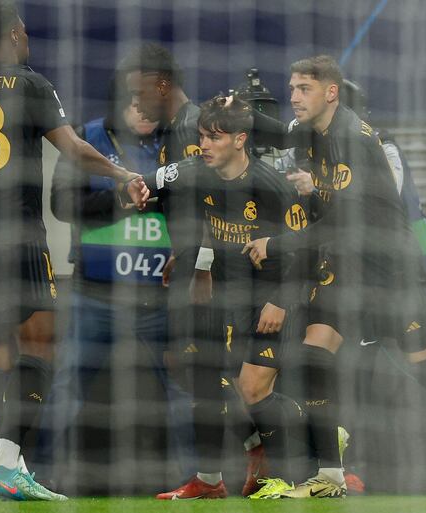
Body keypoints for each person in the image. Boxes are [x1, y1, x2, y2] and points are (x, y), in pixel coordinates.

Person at [242, 55, 426, 498]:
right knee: (313, 356)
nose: (293, 97)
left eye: (303, 88)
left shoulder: (353, 138)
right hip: (349, 272)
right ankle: (330, 477)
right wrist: (233, 112)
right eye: (291, 88)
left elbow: (345, 224)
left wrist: (275, 244)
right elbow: (272, 131)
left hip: (392, 274)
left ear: (331, 92)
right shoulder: (309, 132)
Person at [0, 1, 146, 501]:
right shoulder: (31, 83)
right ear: (17, 33)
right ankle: (5, 463)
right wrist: (125, 174)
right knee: (44, 345)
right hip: (19, 233)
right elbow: (76, 150)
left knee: (1, 354)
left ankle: (13, 463)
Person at [130, 96, 307, 499]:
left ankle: (296, 473)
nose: (204, 145)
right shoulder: (192, 171)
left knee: (252, 389)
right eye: (202, 136)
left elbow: (305, 249)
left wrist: (279, 301)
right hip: (223, 295)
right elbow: (149, 179)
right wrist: (137, 188)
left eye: (215, 137)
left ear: (241, 140)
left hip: (270, 299)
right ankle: (209, 481)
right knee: (204, 382)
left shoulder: (271, 185)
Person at [119, 44, 268, 494]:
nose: (135, 103)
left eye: (138, 91)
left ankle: (252, 445)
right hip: (195, 263)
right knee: (190, 367)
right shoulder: (177, 128)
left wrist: (200, 261)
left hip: (214, 273)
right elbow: (185, 202)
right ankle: (219, 469)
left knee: (203, 367)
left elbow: (213, 201)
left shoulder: (190, 127)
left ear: (161, 84)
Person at [37, 77, 197, 486]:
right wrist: (119, 199)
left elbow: (196, 200)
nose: (143, 114)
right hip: (96, 294)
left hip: (159, 295)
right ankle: (38, 477)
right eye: (134, 106)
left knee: (182, 389)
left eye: (148, 106)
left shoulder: (177, 139)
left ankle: (198, 481)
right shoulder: (87, 139)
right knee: (68, 386)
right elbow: (61, 204)